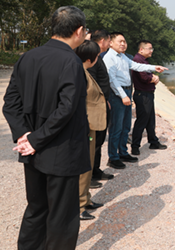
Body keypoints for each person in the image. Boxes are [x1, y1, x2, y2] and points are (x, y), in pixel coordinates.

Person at [3, 6, 90, 250]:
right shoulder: (71, 61)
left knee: (36, 208)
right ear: (79, 30)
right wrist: (34, 140)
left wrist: (24, 136)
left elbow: (10, 103)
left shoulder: (27, 57)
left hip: (33, 150)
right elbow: (66, 109)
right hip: (61, 150)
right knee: (62, 215)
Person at [103, 32, 166, 169]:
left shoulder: (123, 57)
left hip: (126, 92)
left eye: (124, 41)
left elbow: (136, 66)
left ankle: (123, 152)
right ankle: (113, 157)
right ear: (111, 43)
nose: (123, 44)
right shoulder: (109, 58)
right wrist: (123, 95)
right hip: (117, 94)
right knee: (116, 128)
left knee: (126, 126)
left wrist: (154, 67)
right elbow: (112, 79)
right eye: (120, 41)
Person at [74, 40, 107, 220]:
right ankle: (78, 206)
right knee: (83, 166)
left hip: (91, 126)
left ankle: (86, 199)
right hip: (85, 126)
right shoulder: (79, 73)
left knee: (89, 162)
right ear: (92, 58)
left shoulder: (82, 71)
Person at [130, 40, 168, 155]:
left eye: (152, 49)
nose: (151, 51)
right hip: (142, 94)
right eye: (149, 48)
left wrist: (153, 77)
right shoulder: (138, 60)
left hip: (147, 93)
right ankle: (135, 146)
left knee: (151, 119)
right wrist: (154, 78)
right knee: (142, 120)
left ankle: (153, 142)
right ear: (141, 49)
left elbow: (148, 75)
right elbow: (144, 78)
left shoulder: (144, 60)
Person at [88, 30, 114, 186]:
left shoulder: (98, 56)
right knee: (92, 141)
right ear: (104, 41)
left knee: (99, 140)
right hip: (96, 105)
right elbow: (92, 82)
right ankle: (88, 175)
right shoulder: (91, 55)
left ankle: (95, 169)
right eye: (109, 41)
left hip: (103, 103)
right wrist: (101, 100)